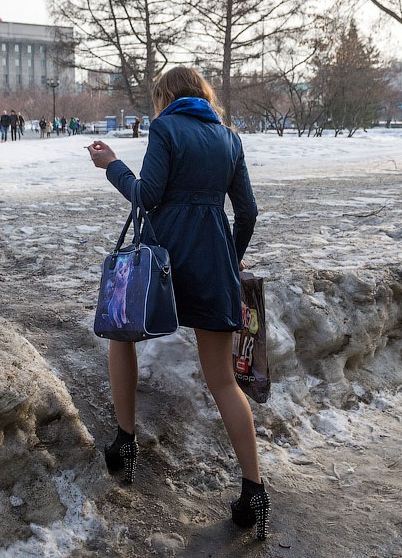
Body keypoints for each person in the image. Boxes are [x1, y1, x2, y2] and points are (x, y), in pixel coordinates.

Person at [87, 66, 268, 540]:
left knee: (120, 332)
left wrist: (113, 166)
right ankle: (254, 492)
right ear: (204, 95)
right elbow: (247, 211)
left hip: (160, 265)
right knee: (223, 382)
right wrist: (230, 258)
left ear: (165, 97)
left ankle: (124, 443)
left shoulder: (166, 126)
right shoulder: (229, 138)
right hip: (212, 267)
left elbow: (146, 197)